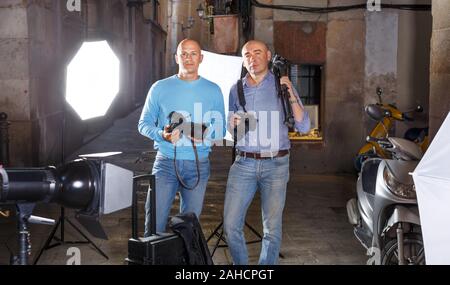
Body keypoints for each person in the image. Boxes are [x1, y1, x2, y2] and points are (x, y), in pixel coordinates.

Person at [223, 40, 311, 265]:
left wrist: (289, 89)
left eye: (257, 52)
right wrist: (231, 124)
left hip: (277, 164)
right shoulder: (236, 88)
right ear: (243, 60)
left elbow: (304, 126)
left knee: (272, 228)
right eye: (247, 54)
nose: (252, 58)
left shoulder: (282, 86)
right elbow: (234, 132)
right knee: (231, 225)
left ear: (268, 56)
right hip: (244, 163)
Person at [138, 39, 225, 236]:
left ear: (201, 58)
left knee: (189, 227)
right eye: (184, 53)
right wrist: (162, 134)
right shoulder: (159, 88)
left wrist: (206, 136)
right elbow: (143, 124)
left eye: (193, 53)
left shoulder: (213, 90)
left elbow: (220, 130)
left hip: (198, 164)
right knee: (154, 223)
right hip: (165, 163)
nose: (188, 58)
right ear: (176, 57)